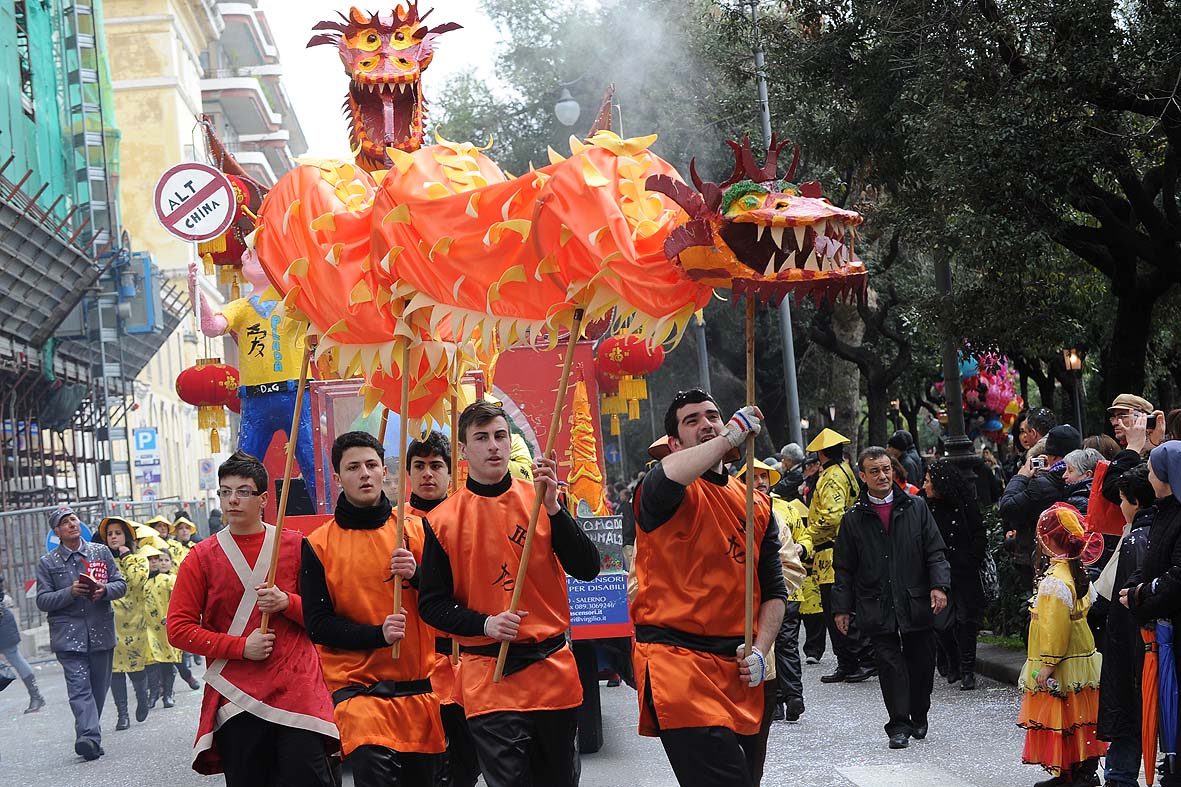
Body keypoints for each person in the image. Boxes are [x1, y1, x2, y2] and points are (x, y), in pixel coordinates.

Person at [418, 400, 599, 787]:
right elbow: (431, 605)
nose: (494, 446)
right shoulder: (442, 521)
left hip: (552, 669)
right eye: (481, 438)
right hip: (490, 675)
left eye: (500, 435)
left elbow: (587, 568)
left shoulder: (541, 501)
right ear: (464, 452)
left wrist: (554, 509)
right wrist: (486, 622)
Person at [631, 389, 789, 786]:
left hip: (738, 667)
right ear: (674, 443)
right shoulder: (661, 489)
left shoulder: (758, 505)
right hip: (677, 665)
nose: (706, 424)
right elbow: (667, 477)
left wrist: (760, 650)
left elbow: (773, 591)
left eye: (713, 416)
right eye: (692, 421)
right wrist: (727, 439)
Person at [167, 451, 338, 784]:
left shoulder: (296, 545)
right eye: (225, 491)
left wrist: (286, 602)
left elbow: (326, 617)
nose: (232, 500)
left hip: (297, 690)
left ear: (263, 499)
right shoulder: (200, 557)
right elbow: (178, 629)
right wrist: (240, 647)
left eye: (243, 491)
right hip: (236, 695)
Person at [301, 431, 445, 785]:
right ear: (338, 477)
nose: (363, 473)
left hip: (419, 690)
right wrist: (377, 635)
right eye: (353, 467)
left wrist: (417, 575)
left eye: (370, 465)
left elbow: (449, 601)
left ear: (385, 471)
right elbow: (317, 625)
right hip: (359, 694)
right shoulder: (318, 544)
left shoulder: (418, 532)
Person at [831, 447, 950, 749]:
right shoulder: (853, 519)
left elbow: (935, 551)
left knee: (922, 663)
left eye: (886, 469)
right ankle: (898, 724)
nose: (883, 476)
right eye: (874, 471)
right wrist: (841, 608)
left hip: (915, 599)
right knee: (889, 665)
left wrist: (939, 585)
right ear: (863, 476)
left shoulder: (916, 506)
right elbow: (844, 568)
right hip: (876, 603)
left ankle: (919, 714)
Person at [403, 430, 481, 787]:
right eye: (419, 466)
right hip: (417, 662)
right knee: (425, 760)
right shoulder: (394, 526)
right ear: (408, 473)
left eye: (436, 465)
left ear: (451, 472)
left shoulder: (470, 519)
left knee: (469, 756)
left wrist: (420, 576)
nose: (427, 474)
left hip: (466, 658)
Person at [1017, 503, 1104, 787]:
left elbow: (1055, 628)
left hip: (1063, 662)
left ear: (1049, 540)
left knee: (1065, 718)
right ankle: (1079, 772)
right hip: (1081, 657)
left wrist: (1048, 664)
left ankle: (1073, 775)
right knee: (1080, 717)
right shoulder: (1078, 573)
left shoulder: (1055, 582)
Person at [35, 507, 127, 761]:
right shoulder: (48, 562)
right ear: (57, 533)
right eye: (65, 523)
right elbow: (42, 600)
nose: (72, 524)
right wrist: (69, 593)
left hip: (101, 631)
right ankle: (89, 736)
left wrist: (103, 590)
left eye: (73, 519)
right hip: (68, 636)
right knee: (79, 690)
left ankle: (88, 735)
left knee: (98, 689)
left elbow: (121, 584)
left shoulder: (101, 552)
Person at [1121, 441, 1181, 787]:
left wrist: (1142, 594)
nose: (1148, 475)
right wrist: (1135, 587)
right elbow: (1151, 565)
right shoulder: (1163, 511)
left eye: (1152, 470)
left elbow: (1177, 576)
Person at [1096, 464, 1155, 787]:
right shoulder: (1153, 531)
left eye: (1121, 499)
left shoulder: (1137, 540)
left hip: (1136, 640)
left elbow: (1111, 596)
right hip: (1151, 638)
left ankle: (1120, 775)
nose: (1120, 507)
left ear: (1135, 501)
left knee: (1129, 709)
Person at [744, 459, 812, 724]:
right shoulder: (732, 512)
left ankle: (793, 695)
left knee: (786, 644)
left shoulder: (784, 509)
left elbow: (804, 537)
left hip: (787, 596)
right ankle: (775, 700)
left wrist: (802, 549)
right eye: (754, 476)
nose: (760, 482)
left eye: (765, 477)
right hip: (745, 610)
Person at [805, 428, 874, 684]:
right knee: (837, 608)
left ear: (821, 452)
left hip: (832, 550)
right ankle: (847, 663)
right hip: (836, 550)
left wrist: (809, 533)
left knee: (839, 609)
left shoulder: (833, 475)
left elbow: (833, 516)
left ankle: (857, 661)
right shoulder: (845, 470)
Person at [922, 460, 988, 690]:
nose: (925, 485)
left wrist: (971, 558)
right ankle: (952, 658)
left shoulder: (964, 503)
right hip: (938, 572)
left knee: (966, 619)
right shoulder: (925, 506)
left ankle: (967, 668)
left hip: (964, 570)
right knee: (941, 622)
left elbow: (979, 532)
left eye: (929, 481)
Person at [999, 424, 1081, 592]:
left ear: (1049, 455)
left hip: (1043, 561)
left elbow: (1007, 508)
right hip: (1076, 557)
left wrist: (1021, 476)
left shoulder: (1042, 485)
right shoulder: (1082, 474)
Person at [96, 516, 151, 729]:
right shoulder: (102, 563)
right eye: (110, 534)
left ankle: (142, 697)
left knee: (135, 667)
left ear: (126, 536)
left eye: (117, 533)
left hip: (134, 623)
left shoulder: (139, 559)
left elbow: (137, 582)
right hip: (109, 623)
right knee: (115, 671)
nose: (113, 537)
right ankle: (122, 715)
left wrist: (126, 556)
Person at [1101, 394, 1167, 507]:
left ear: (1144, 419)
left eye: (1122, 416)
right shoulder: (1126, 451)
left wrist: (1133, 448)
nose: (1115, 423)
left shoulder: (1163, 453)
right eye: (1114, 417)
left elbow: (1113, 491)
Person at [0, 572, 44, 714]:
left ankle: (36, 696)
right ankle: (36, 697)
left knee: (15, 658)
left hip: (2, 623)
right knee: (16, 658)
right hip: (4, 620)